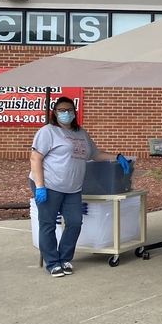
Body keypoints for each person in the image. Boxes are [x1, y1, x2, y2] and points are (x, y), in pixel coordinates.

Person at [29, 96, 131, 278]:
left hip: (73, 188)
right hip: (50, 185)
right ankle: (52, 262)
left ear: (75, 112)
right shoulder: (48, 132)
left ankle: (65, 258)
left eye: (69, 110)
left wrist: (117, 156)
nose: (66, 113)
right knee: (48, 224)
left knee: (75, 222)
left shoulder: (81, 133)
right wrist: (40, 186)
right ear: (55, 113)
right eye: (62, 110)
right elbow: (35, 158)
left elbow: (95, 154)